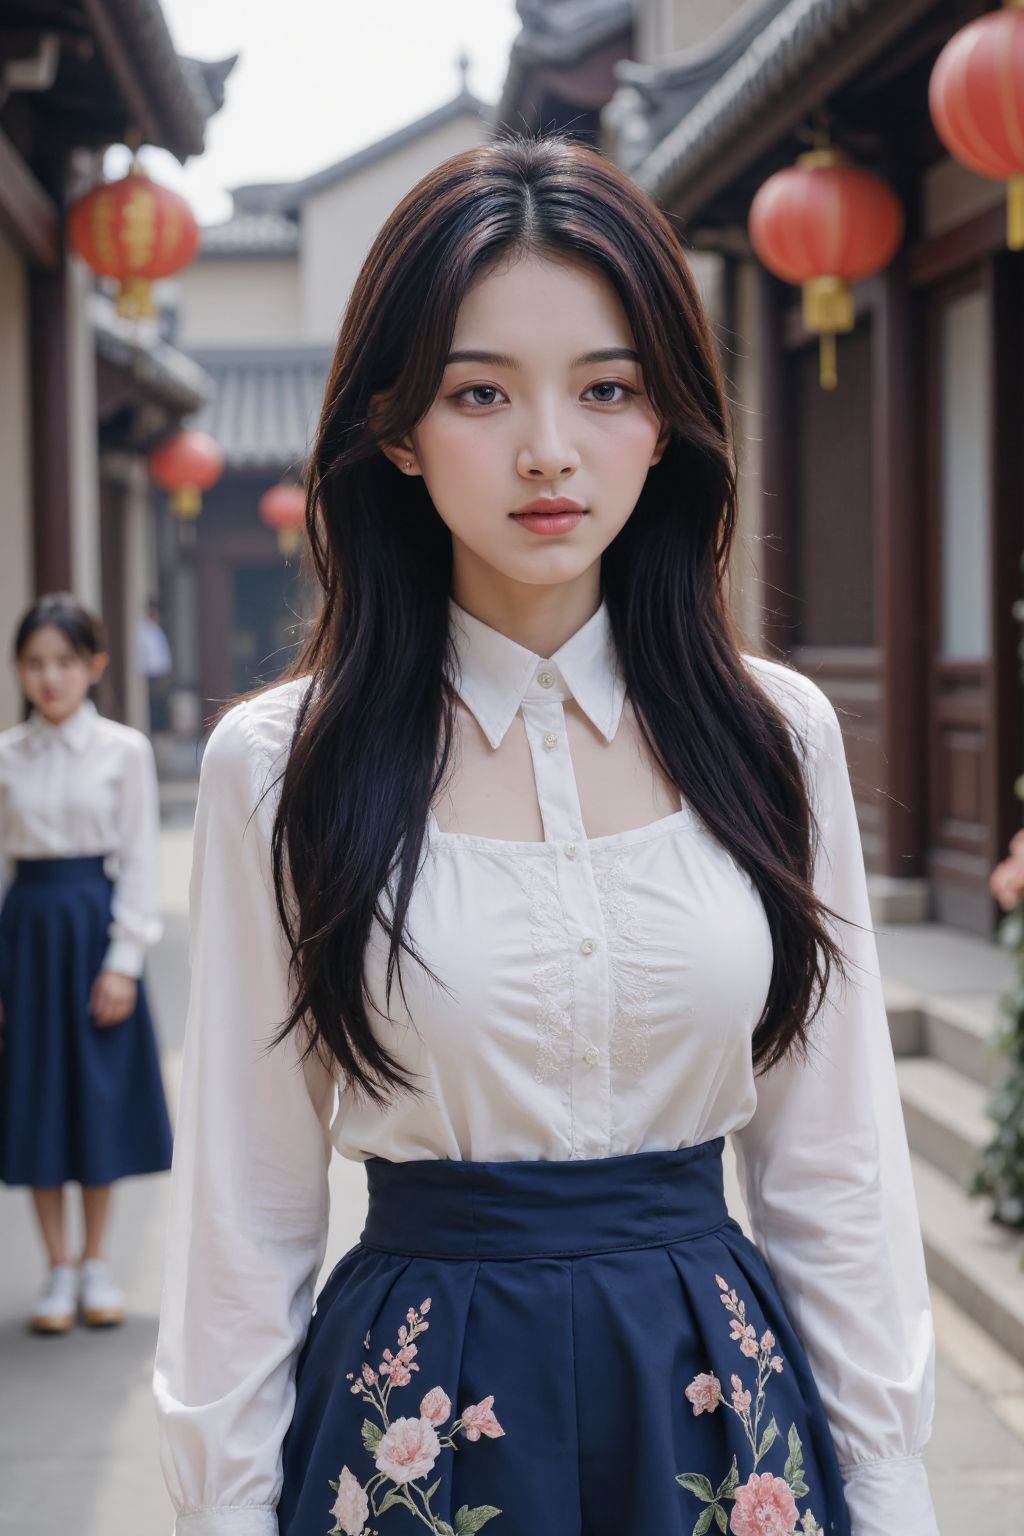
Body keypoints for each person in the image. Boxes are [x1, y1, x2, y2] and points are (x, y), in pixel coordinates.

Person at [152, 133, 938, 1536]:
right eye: (479, 392)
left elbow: (835, 1179)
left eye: (607, 387)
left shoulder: (774, 736)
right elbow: (243, 1224)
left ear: (667, 419)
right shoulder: (283, 769)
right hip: (418, 1416)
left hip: (710, 1398)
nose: (549, 451)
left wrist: (893, 1495)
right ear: (395, 428)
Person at [0, 591, 173, 1333]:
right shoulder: (6, 757)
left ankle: (97, 1261)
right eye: (36, 663)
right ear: (19, 670)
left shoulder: (123, 751)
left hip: (93, 929)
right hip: (29, 937)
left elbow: (138, 860)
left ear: (94, 665)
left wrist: (123, 962)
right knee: (37, 1097)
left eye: (66, 662)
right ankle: (56, 1269)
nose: (51, 678)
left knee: (96, 1097)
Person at [137, 594, 174, 733]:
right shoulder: (143, 630)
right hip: (151, 677)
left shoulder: (156, 630)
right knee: (153, 710)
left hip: (160, 677)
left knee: (161, 711)